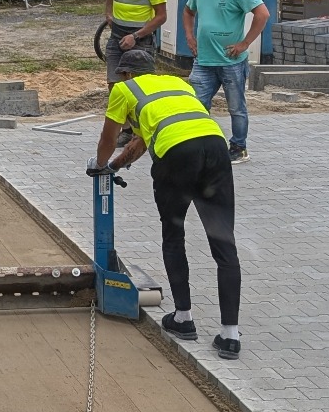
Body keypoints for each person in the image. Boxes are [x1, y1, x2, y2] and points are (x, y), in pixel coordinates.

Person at [92, 46, 242, 358]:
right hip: (215, 147)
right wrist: (118, 166)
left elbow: (109, 138)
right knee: (224, 243)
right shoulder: (179, 84)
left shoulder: (123, 89)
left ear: (127, 73)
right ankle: (230, 335)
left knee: (174, 237)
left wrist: (99, 165)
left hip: (177, 156)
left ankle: (184, 318)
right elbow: (146, 139)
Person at [182, 0, 270, 163]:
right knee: (196, 104)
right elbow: (188, 11)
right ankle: (199, 143)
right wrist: (189, 36)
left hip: (231, 62)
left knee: (236, 107)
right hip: (204, 60)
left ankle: (239, 147)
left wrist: (244, 43)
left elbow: (262, 14)